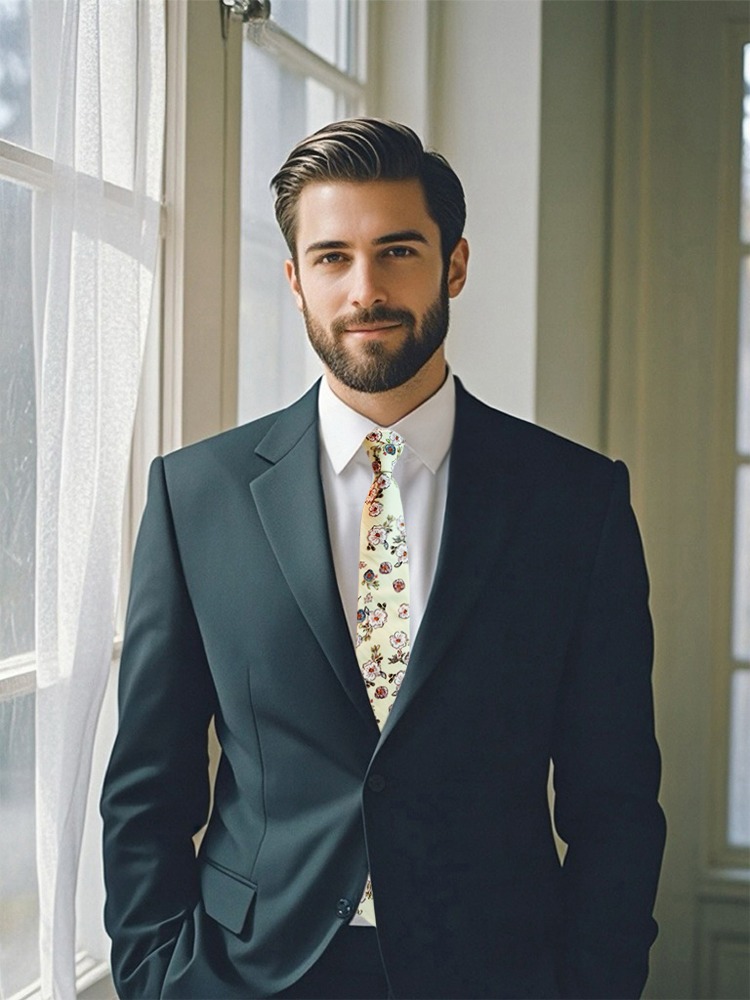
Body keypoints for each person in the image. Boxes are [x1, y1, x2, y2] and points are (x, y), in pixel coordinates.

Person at [100, 118, 666, 1000]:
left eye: (398, 250)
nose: (365, 289)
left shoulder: (576, 503)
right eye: (331, 257)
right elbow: (147, 788)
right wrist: (153, 977)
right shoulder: (194, 496)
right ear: (294, 281)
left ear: (456, 264)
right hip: (245, 973)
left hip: (498, 972)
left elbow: (617, 802)